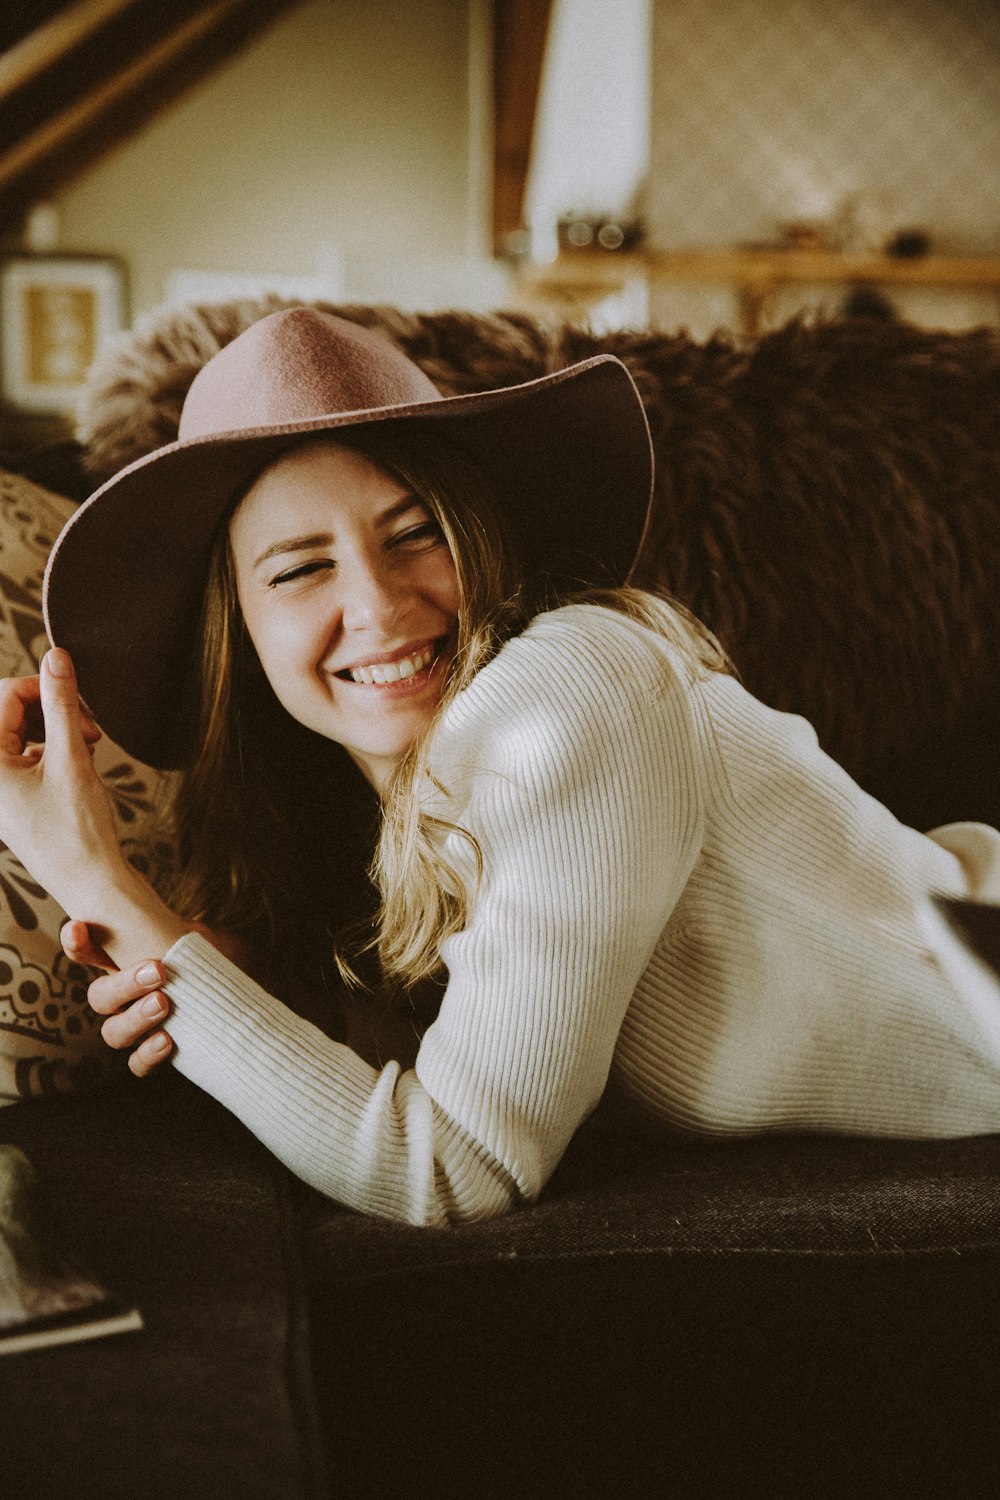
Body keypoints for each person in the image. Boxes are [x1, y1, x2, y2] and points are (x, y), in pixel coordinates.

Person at [1, 307, 999, 1228]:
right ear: (240, 634)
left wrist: (95, 879)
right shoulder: (388, 798)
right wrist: (261, 993)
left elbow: (452, 1168)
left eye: (416, 532)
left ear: (482, 535)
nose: (382, 608)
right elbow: (476, 1063)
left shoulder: (574, 691)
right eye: (301, 568)